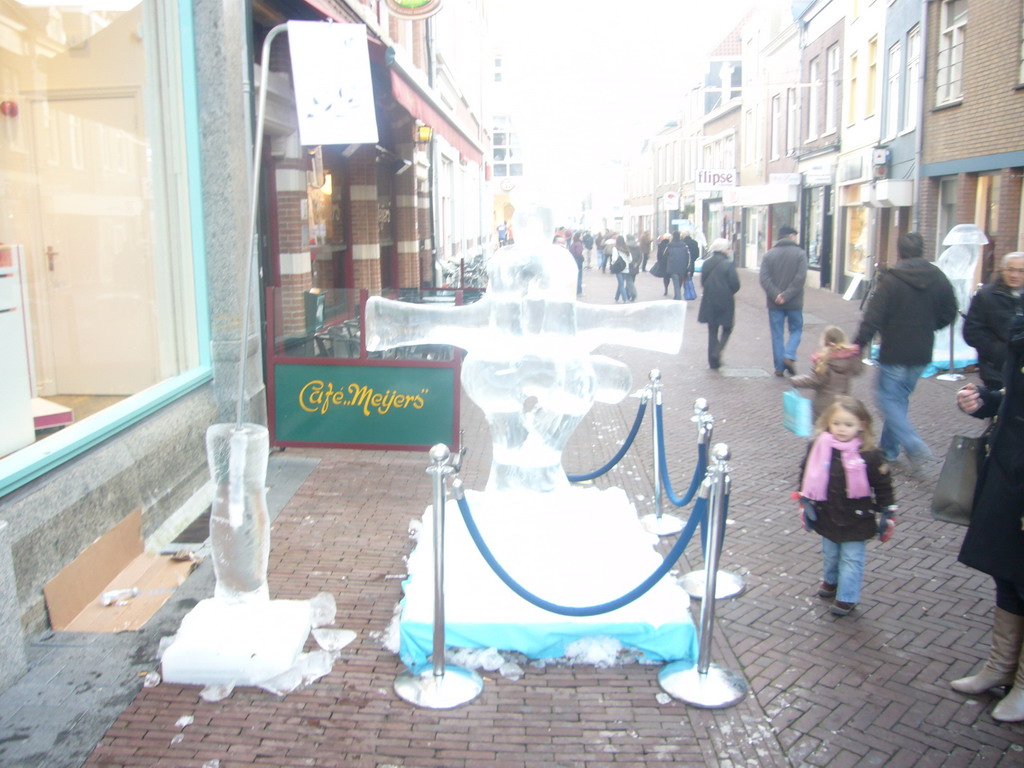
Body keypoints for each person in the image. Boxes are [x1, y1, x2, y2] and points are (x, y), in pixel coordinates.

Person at [949, 311, 1024, 722]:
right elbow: (1015, 399)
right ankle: (1000, 666)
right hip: (1010, 466)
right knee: (1007, 569)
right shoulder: (1021, 327)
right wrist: (985, 402)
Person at [852, 232, 958, 468]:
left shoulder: (891, 280)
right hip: (922, 351)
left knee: (886, 397)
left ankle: (911, 442)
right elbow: (950, 311)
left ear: (898, 252)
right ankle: (889, 450)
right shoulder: (939, 278)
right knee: (898, 400)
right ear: (922, 251)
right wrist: (931, 325)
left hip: (895, 350)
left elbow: (873, 317)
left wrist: (858, 344)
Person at [796, 395, 897, 617]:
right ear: (828, 423)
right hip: (828, 513)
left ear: (861, 425)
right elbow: (806, 472)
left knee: (852, 558)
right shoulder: (819, 447)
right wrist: (804, 498)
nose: (841, 429)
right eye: (837, 423)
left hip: (856, 517)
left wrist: (887, 510)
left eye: (848, 425)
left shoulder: (869, 454)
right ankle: (831, 581)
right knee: (830, 553)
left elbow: (883, 484)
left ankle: (847, 597)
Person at [963, 252, 1024, 390]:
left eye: (1021, 271)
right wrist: (999, 352)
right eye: (1011, 269)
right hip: (996, 371)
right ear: (1002, 270)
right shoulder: (986, 295)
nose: (1014, 275)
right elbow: (972, 332)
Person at [760, 225, 808, 376]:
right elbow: (800, 279)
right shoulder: (800, 254)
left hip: (774, 303)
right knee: (796, 329)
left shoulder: (769, 255)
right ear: (791, 236)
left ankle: (779, 367)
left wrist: (776, 295)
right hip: (794, 302)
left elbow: (764, 279)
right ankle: (789, 354)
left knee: (777, 334)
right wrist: (787, 295)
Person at [790, 326, 864, 421]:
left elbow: (815, 381)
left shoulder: (823, 360)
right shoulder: (850, 360)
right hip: (841, 404)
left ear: (825, 341)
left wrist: (795, 381)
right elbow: (858, 371)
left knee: (824, 433)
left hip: (823, 406)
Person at [696, 238, 740, 370]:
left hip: (709, 299)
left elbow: (703, 282)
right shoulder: (728, 264)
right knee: (727, 327)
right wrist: (728, 291)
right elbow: (735, 284)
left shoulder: (706, 263)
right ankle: (717, 351)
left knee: (712, 329)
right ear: (723, 250)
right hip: (725, 300)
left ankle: (712, 362)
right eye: (728, 248)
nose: (729, 250)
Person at [666, 229, 693, 301]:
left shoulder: (669, 245)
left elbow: (665, 255)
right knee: (680, 281)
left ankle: (677, 296)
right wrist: (687, 266)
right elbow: (688, 257)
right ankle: (677, 295)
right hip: (682, 267)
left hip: (673, 266)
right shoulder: (684, 245)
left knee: (675, 282)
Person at [611, 235, 633, 303]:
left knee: (621, 284)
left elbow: (614, 258)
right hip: (626, 268)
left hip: (619, 269)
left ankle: (625, 299)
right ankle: (616, 298)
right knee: (621, 284)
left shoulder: (615, 248)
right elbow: (630, 260)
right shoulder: (627, 248)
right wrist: (626, 262)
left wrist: (612, 263)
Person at [569, 231, 585, 296]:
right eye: (581, 236)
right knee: (579, 277)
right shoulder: (579, 244)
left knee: (576, 276)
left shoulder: (574, 243)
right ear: (579, 237)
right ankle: (579, 292)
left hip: (574, 260)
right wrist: (581, 257)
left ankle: (576, 291)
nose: (582, 237)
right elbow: (579, 253)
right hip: (578, 261)